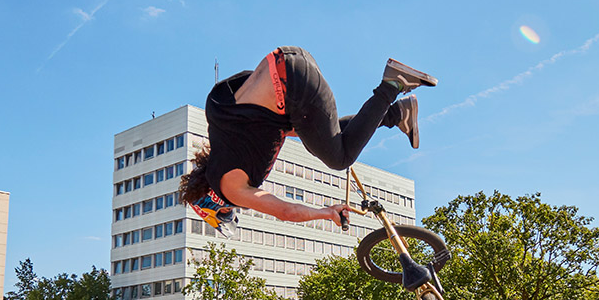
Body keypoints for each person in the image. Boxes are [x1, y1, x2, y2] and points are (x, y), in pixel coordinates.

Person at [179, 48, 434, 230]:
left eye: (226, 211)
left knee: (339, 159)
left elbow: (285, 212)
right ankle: (398, 113)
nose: (235, 208)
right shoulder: (230, 143)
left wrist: (326, 213)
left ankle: (393, 84)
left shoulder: (230, 189)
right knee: (314, 142)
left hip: (294, 86)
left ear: (213, 203)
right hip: (289, 62)